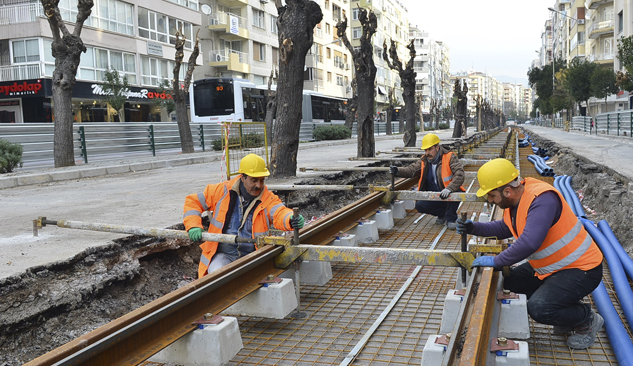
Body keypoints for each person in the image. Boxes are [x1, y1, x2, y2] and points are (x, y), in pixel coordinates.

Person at [456, 158, 604, 349]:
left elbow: (529, 243)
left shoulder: (542, 200)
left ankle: (586, 319)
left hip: (582, 269)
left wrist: (497, 261)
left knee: (539, 308)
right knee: (509, 283)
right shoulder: (516, 202)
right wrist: (474, 227)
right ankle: (564, 305)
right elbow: (505, 228)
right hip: (552, 267)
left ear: (507, 191)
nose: (490, 200)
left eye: (492, 195)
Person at [183, 153, 305, 278]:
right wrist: (193, 225)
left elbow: (280, 213)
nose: (259, 185)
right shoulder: (222, 191)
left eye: (262, 180)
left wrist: (290, 219)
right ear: (243, 178)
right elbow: (193, 201)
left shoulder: (268, 198)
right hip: (224, 254)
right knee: (216, 276)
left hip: (253, 256)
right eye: (254, 180)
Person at [390, 133, 465, 229]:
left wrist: (449, 188)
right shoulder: (424, 160)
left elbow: (460, 174)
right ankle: (443, 214)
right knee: (420, 205)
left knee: (456, 193)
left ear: (437, 148)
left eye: (430, 149)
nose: (427, 153)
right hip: (435, 194)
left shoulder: (450, 157)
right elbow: (412, 170)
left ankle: (451, 219)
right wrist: (397, 171)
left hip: (449, 192)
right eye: (425, 150)